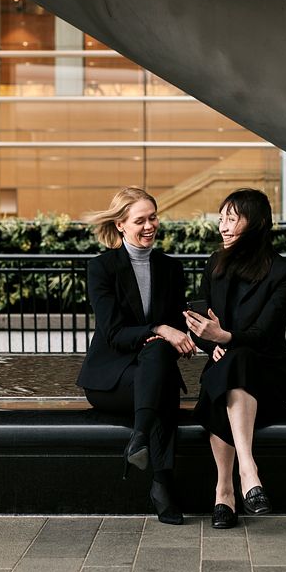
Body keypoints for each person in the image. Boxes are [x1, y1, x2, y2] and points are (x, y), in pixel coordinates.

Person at [185, 189, 286, 530]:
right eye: (221, 219)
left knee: (239, 360)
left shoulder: (284, 273)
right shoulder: (215, 264)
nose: (223, 226)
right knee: (230, 364)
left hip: (269, 374)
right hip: (225, 364)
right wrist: (212, 343)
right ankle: (246, 475)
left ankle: (225, 491)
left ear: (257, 223)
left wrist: (226, 339)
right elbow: (200, 319)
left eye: (232, 219)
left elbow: (264, 333)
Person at [77, 187, 193, 525]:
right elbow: (113, 332)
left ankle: (139, 440)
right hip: (111, 379)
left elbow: (178, 323)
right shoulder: (102, 268)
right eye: (140, 220)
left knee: (159, 361)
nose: (149, 226)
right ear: (120, 225)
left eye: (153, 217)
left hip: (151, 372)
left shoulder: (171, 268)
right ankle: (162, 483)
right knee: (162, 375)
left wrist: (198, 333)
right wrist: (159, 329)